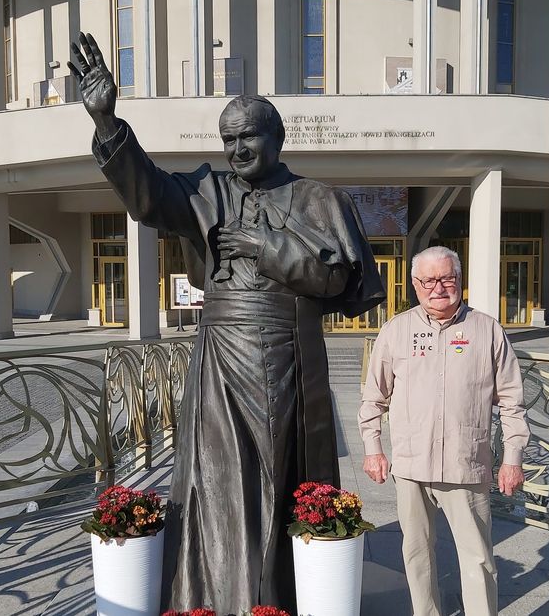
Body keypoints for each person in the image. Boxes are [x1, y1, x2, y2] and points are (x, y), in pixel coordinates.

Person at [69, 33, 385, 612]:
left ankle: (271, 593)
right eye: (229, 138)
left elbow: (338, 280)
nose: (238, 149)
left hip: (284, 352)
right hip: (218, 353)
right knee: (214, 477)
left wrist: (266, 246)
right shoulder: (206, 189)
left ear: (278, 137)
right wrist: (109, 122)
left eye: (249, 137)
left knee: (270, 475)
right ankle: (211, 592)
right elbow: (148, 197)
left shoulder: (318, 199)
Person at [359, 246, 529, 616]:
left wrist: (512, 459)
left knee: (478, 559)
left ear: (459, 280)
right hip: (411, 464)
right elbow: (374, 398)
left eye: (446, 278)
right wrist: (373, 448)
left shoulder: (487, 331)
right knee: (417, 554)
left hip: (465, 465)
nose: (438, 287)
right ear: (415, 285)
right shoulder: (396, 331)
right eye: (428, 280)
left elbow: (513, 402)